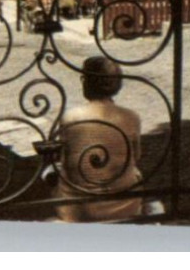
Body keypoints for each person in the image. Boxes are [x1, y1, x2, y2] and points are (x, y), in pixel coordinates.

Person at [57, 57, 144, 223]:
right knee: (135, 173)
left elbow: (65, 159)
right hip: (125, 205)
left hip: (79, 209)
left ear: (86, 83)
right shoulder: (131, 117)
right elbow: (136, 156)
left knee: (56, 174)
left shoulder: (70, 117)